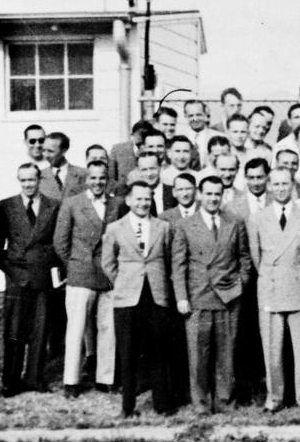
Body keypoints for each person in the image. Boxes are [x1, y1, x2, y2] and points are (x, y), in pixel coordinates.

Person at [171, 176, 252, 413]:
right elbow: (179, 265)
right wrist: (182, 297)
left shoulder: (234, 221)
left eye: (217, 194)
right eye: (208, 194)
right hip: (198, 297)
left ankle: (226, 401)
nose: (213, 198)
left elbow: (244, 259)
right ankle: (202, 404)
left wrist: (239, 285)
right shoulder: (185, 225)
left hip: (228, 298)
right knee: (198, 355)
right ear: (199, 194)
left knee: (227, 353)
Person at [101, 181, 175, 416]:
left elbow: (170, 259)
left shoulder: (163, 227)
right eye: (139, 198)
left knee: (159, 351)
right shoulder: (115, 228)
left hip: (156, 295)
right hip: (127, 299)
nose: (143, 203)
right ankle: (128, 406)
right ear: (129, 200)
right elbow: (108, 263)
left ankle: (162, 405)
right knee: (128, 352)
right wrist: (124, 282)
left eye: (147, 198)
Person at [248, 168, 300, 410]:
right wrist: (270, 276)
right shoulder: (257, 217)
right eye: (275, 184)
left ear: (293, 186)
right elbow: (256, 258)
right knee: (272, 348)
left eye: (285, 183)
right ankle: (274, 397)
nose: (280, 188)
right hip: (271, 286)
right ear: (268, 186)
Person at [53, 161, 125, 397]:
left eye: (102, 178)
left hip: (108, 275)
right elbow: (60, 243)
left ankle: (105, 378)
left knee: (108, 327)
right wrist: (75, 265)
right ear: (86, 180)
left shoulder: (116, 204)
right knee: (76, 329)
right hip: (81, 275)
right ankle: (71, 381)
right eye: (93, 178)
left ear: (107, 180)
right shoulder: (72, 204)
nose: (97, 183)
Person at [0, 164, 61, 397]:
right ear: (18, 181)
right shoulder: (6, 205)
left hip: (42, 277)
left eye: (32, 180)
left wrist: (48, 263)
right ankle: (10, 381)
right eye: (23, 181)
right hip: (17, 277)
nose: (28, 185)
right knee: (14, 331)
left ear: (39, 179)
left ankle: (35, 378)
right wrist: (9, 269)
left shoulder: (53, 205)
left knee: (40, 330)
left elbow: (57, 241)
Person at [39, 132, 86, 200]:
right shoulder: (38, 176)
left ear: (63, 151)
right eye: (44, 150)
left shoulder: (83, 174)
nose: (46, 155)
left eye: (50, 151)